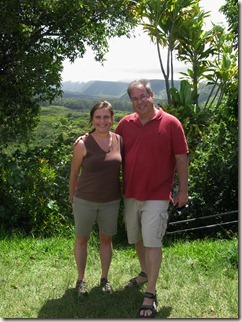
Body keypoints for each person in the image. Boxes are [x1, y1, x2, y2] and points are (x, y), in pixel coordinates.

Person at [115, 79, 189, 318]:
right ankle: (145, 272)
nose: (139, 102)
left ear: (152, 94)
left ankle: (150, 293)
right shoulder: (125, 124)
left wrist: (183, 191)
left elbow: (181, 158)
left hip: (157, 194)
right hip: (131, 193)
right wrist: (84, 141)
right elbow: (110, 147)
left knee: (152, 242)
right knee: (137, 238)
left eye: (143, 96)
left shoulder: (171, 123)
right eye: (134, 99)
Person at [69, 100, 123, 296]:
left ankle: (104, 278)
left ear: (112, 119)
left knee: (106, 239)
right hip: (85, 200)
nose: (102, 121)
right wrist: (72, 197)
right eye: (98, 117)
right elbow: (74, 174)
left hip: (111, 200)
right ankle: (81, 279)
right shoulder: (82, 144)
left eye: (106, 117)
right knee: (82, 239)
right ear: (92, 119)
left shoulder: (119, 140)